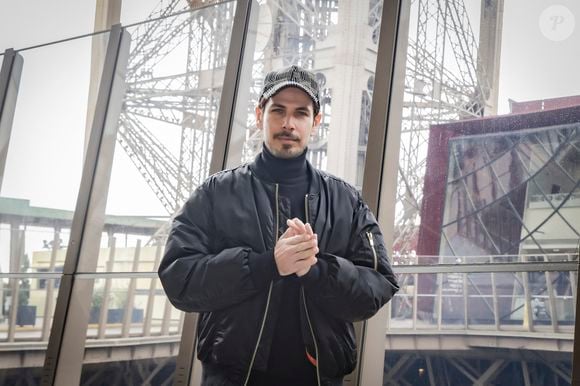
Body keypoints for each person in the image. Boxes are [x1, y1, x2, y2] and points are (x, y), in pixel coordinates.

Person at [158, 65, 399, 386]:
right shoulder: (216, 193)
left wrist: (316, 270)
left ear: (315, 122)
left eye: (300, 113)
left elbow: (378, 285)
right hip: (233, 377)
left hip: (318, 377)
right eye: (278, 111)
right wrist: (265, 265)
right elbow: (179, 279)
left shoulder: (346, 201)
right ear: (260, 115)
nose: (288, 123)